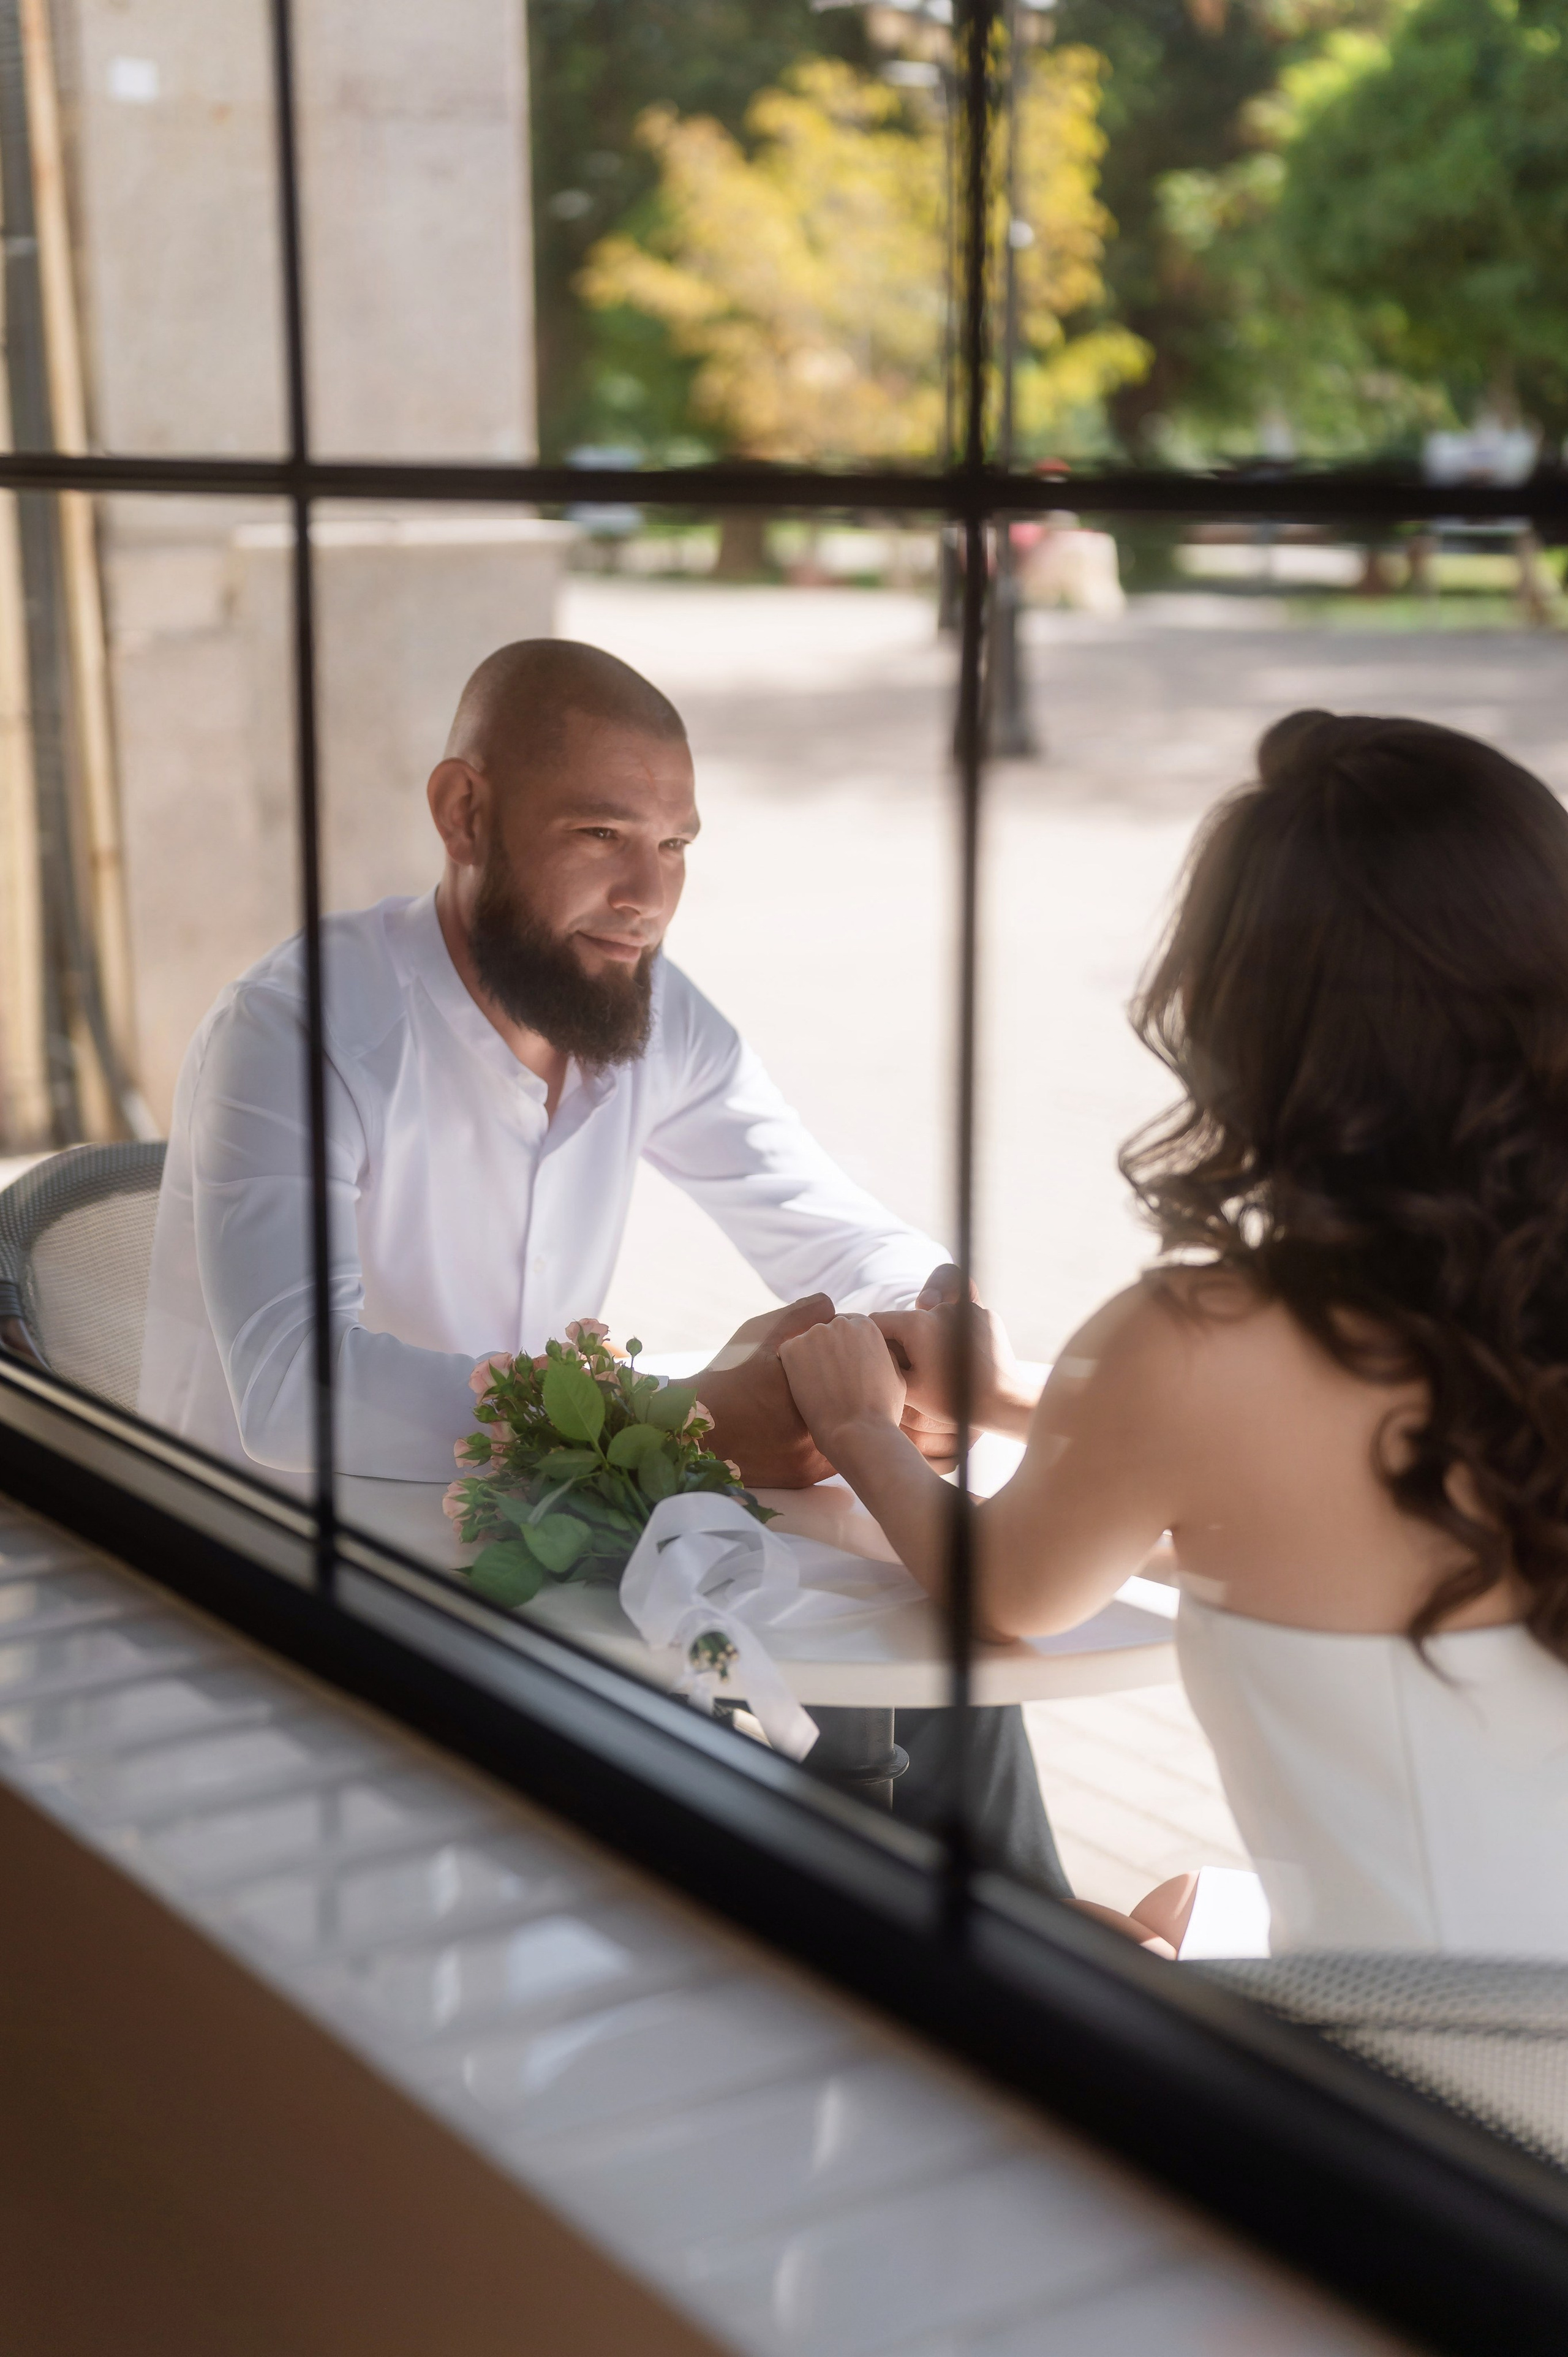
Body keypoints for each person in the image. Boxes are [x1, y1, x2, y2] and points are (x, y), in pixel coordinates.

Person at [138, 637, 1067, 1897]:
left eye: (676, 845)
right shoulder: (301, 1028)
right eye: (599, 834)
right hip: (302, 1591)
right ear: (463, 811)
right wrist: (681, 1418)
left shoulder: (647, 1010)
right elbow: (293, 1387)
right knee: (798, 1776)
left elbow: (832, 1228)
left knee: (933, 1644)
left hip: (540, 1555)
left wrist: (934, 1317)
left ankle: (1027, 1966)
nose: (647, 894)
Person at [779, 711, 1568, 1956]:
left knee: (1013, 1930)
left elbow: (1010, 1594)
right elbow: (1333, 1454)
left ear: (1252, 1022)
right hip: (1523, 2012)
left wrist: (858, 1429)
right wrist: (1004, 1399)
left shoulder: (1192, 1342)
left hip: (1429, 2077)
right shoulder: (1504, 1308)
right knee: (1169, 1908)